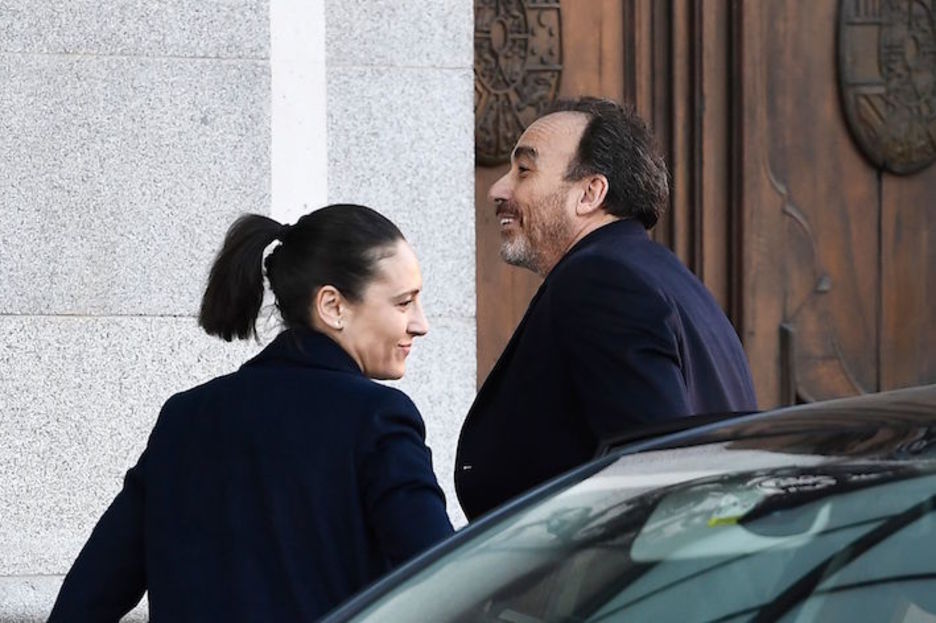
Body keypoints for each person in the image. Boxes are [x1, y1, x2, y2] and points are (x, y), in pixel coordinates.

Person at [48, 204, 454, 622]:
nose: (420, 324)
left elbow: (85, 600)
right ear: (332, 306)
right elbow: (449, 584)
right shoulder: (378, 418)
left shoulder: (185, 418)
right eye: (404, 303)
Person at [455, 97, 758, 520]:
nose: (498, 189)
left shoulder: (601, 283)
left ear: (590, 193)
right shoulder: (665, 278)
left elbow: (653, 478)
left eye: (524, 170)